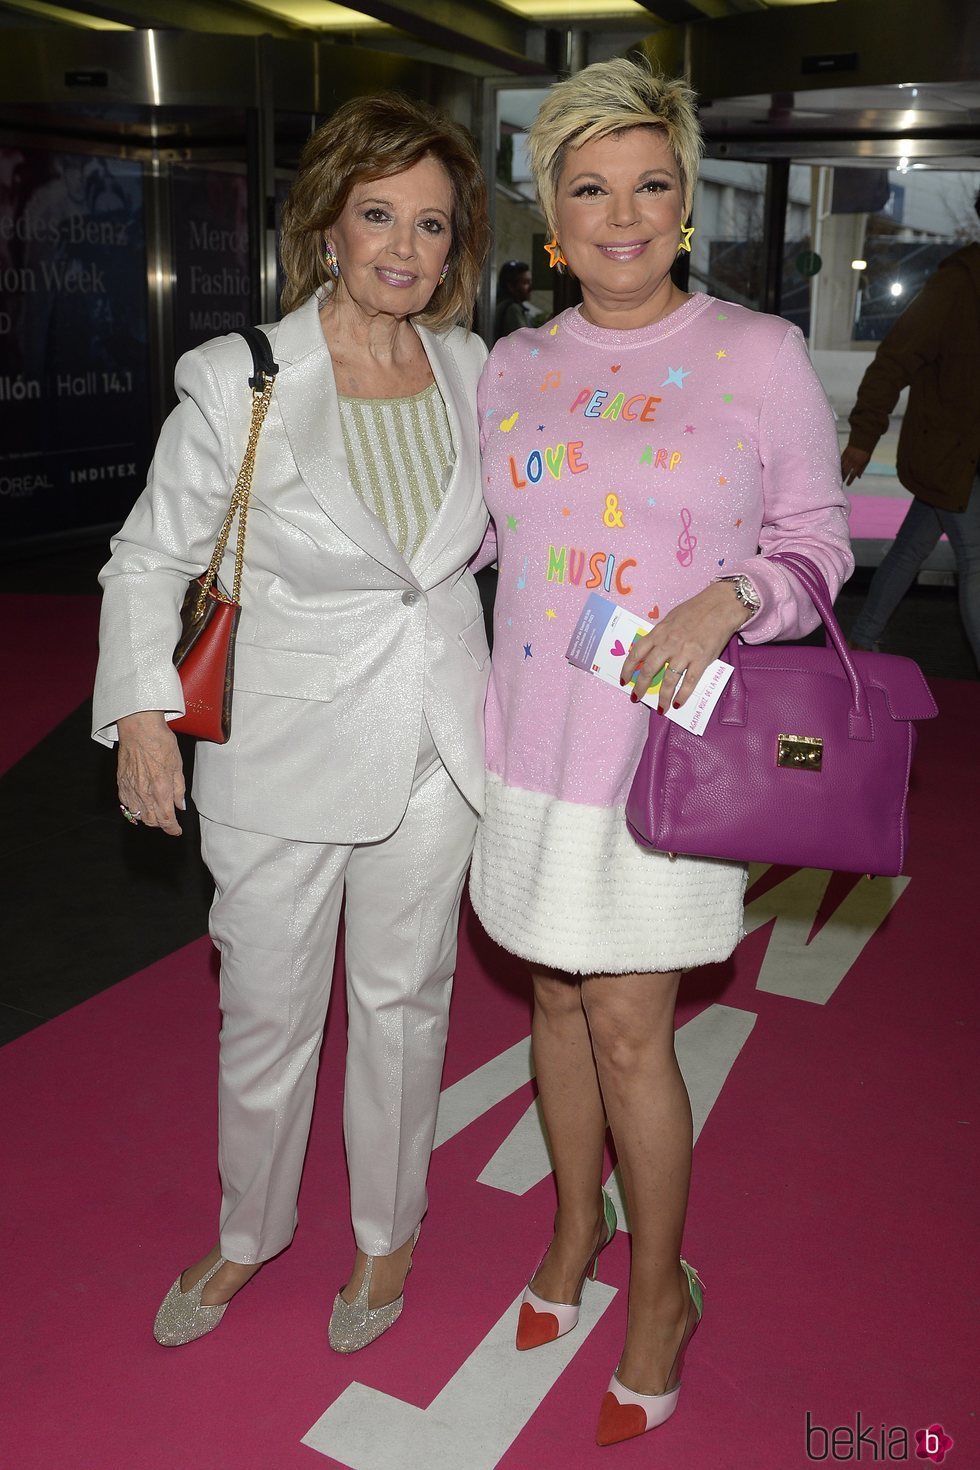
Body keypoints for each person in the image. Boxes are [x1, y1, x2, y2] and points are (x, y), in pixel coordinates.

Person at [468, 56, 852, 1448]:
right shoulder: (512, 364)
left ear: (685, 204)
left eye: (650, 185)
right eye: (589, 189)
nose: (621, 215)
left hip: (668, 766)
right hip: (531, 753)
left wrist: (730, 595)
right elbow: (476, 551)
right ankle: (571, 1235)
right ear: (550, 220)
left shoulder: (753, 353)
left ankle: (656, 1294)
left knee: (630, 1024)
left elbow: (819, 539)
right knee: (555, 1006)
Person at [92, 92, 490, 1353]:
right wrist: (147, 714)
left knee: (405, 1006)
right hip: (277, 750)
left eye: (430, 224)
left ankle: (388, 1235)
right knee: (265, 1013)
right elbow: (145, 559)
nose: (403, 247)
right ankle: (245, 1234)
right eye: (378, 214)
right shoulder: (239, 375)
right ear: (326, 225)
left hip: (437, 751)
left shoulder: (478, 372)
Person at [841, 206, 980, 671]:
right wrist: (863, 435)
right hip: (951, 455)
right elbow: (893, 360)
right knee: (976, 559)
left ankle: (862, 638)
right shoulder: (957, 286)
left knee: (910, 548)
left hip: (960, 458)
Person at [493, 259, 534, 341]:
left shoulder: (507, 306)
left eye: (530, 282)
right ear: (510, 286)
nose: (530, 287)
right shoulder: (512, 309)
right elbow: (525, 341)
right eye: (525, 282)